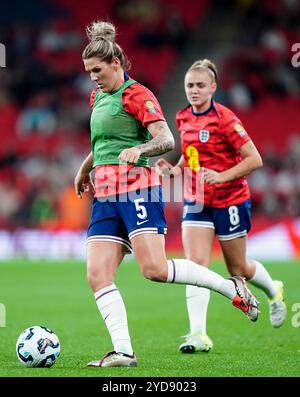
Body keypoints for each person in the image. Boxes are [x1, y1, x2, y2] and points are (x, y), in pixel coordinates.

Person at [74, 22, 259, 368]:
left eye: (97, 70)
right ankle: (123, 352)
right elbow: (104, 143)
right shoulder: (97, 96)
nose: (92, 78)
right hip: (105, 196)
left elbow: (166, 140)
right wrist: (86, 168)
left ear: (116, 64)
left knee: (154, 270)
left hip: (137, 190)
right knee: (96, 274)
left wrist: (140, 149)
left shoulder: (138, 95)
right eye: (88, 72)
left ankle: (231, 289)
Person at [156, 59, 286, 354]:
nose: (194, 91)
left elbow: (255, 159)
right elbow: (191, 156)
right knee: (195, 265)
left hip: (230, 199)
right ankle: (198, 335)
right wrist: (175, 170)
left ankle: (273, 289)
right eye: (190, 85)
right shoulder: (182, 117)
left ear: (213, 87)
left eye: (200, 85)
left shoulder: (226, 119)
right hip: (197, 200)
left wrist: (221, 176)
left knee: (238, 268)